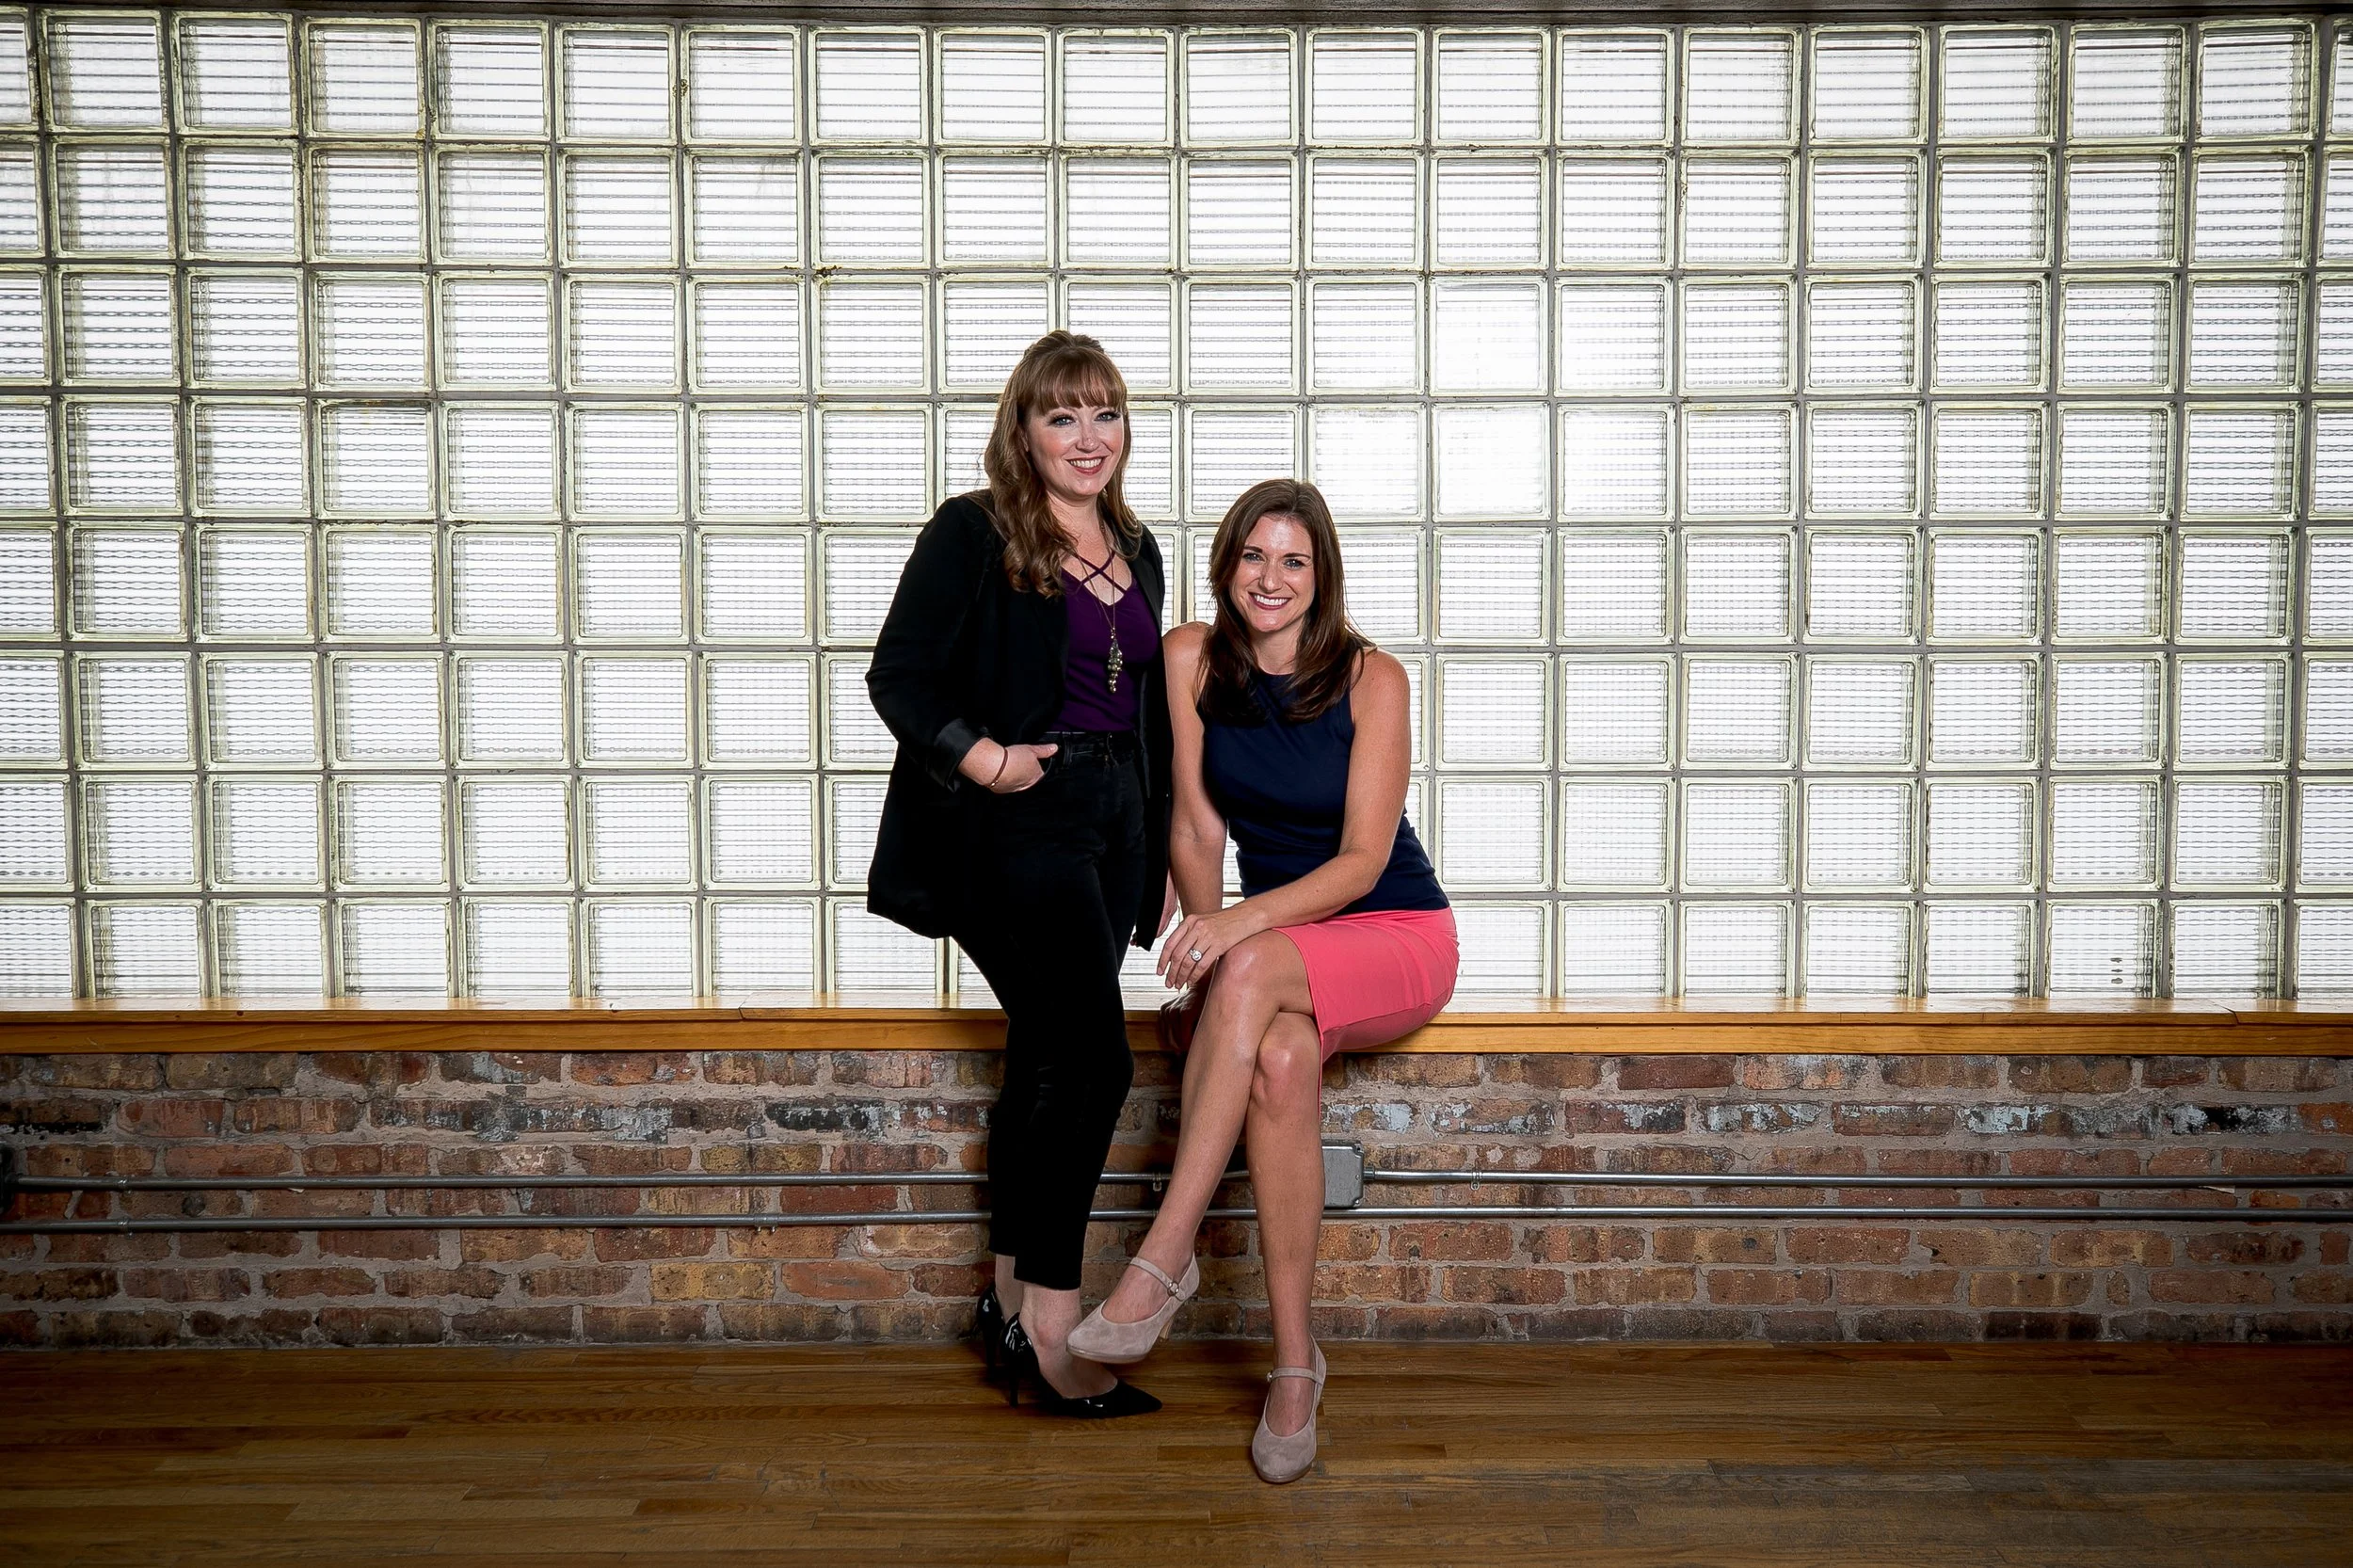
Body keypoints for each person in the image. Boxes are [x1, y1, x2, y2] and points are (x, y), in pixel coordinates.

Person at [1066, 478, 1457, 1480]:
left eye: (1293, 561)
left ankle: (1160, 1262)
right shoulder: (1190, 657)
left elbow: (1365, 863)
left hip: (1392, 933)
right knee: (1278, 1063)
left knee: (1241, 972)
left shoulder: (1375, 679)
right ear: (1226, 561)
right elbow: (1195, 825)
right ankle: (1296, 1368)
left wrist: (1228, 934)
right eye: (1253, 556)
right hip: (1277, 952)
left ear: (1321, 576)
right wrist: (1204, 948)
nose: (1269, 579)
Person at [866, 331, 1173, 1418]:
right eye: (1062, 416)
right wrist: (985, 757)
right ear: (1024, 429)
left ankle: (1001, 1306)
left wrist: (1166, 855)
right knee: (1095, 1068)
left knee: (1047, 1061)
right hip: (1020, 821)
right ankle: (1053, 1326)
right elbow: (897, 672)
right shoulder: (975, 529)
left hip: (1115, 822)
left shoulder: (1138, 542)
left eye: (1105, 413)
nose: (1087, 437)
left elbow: (1149, 714)